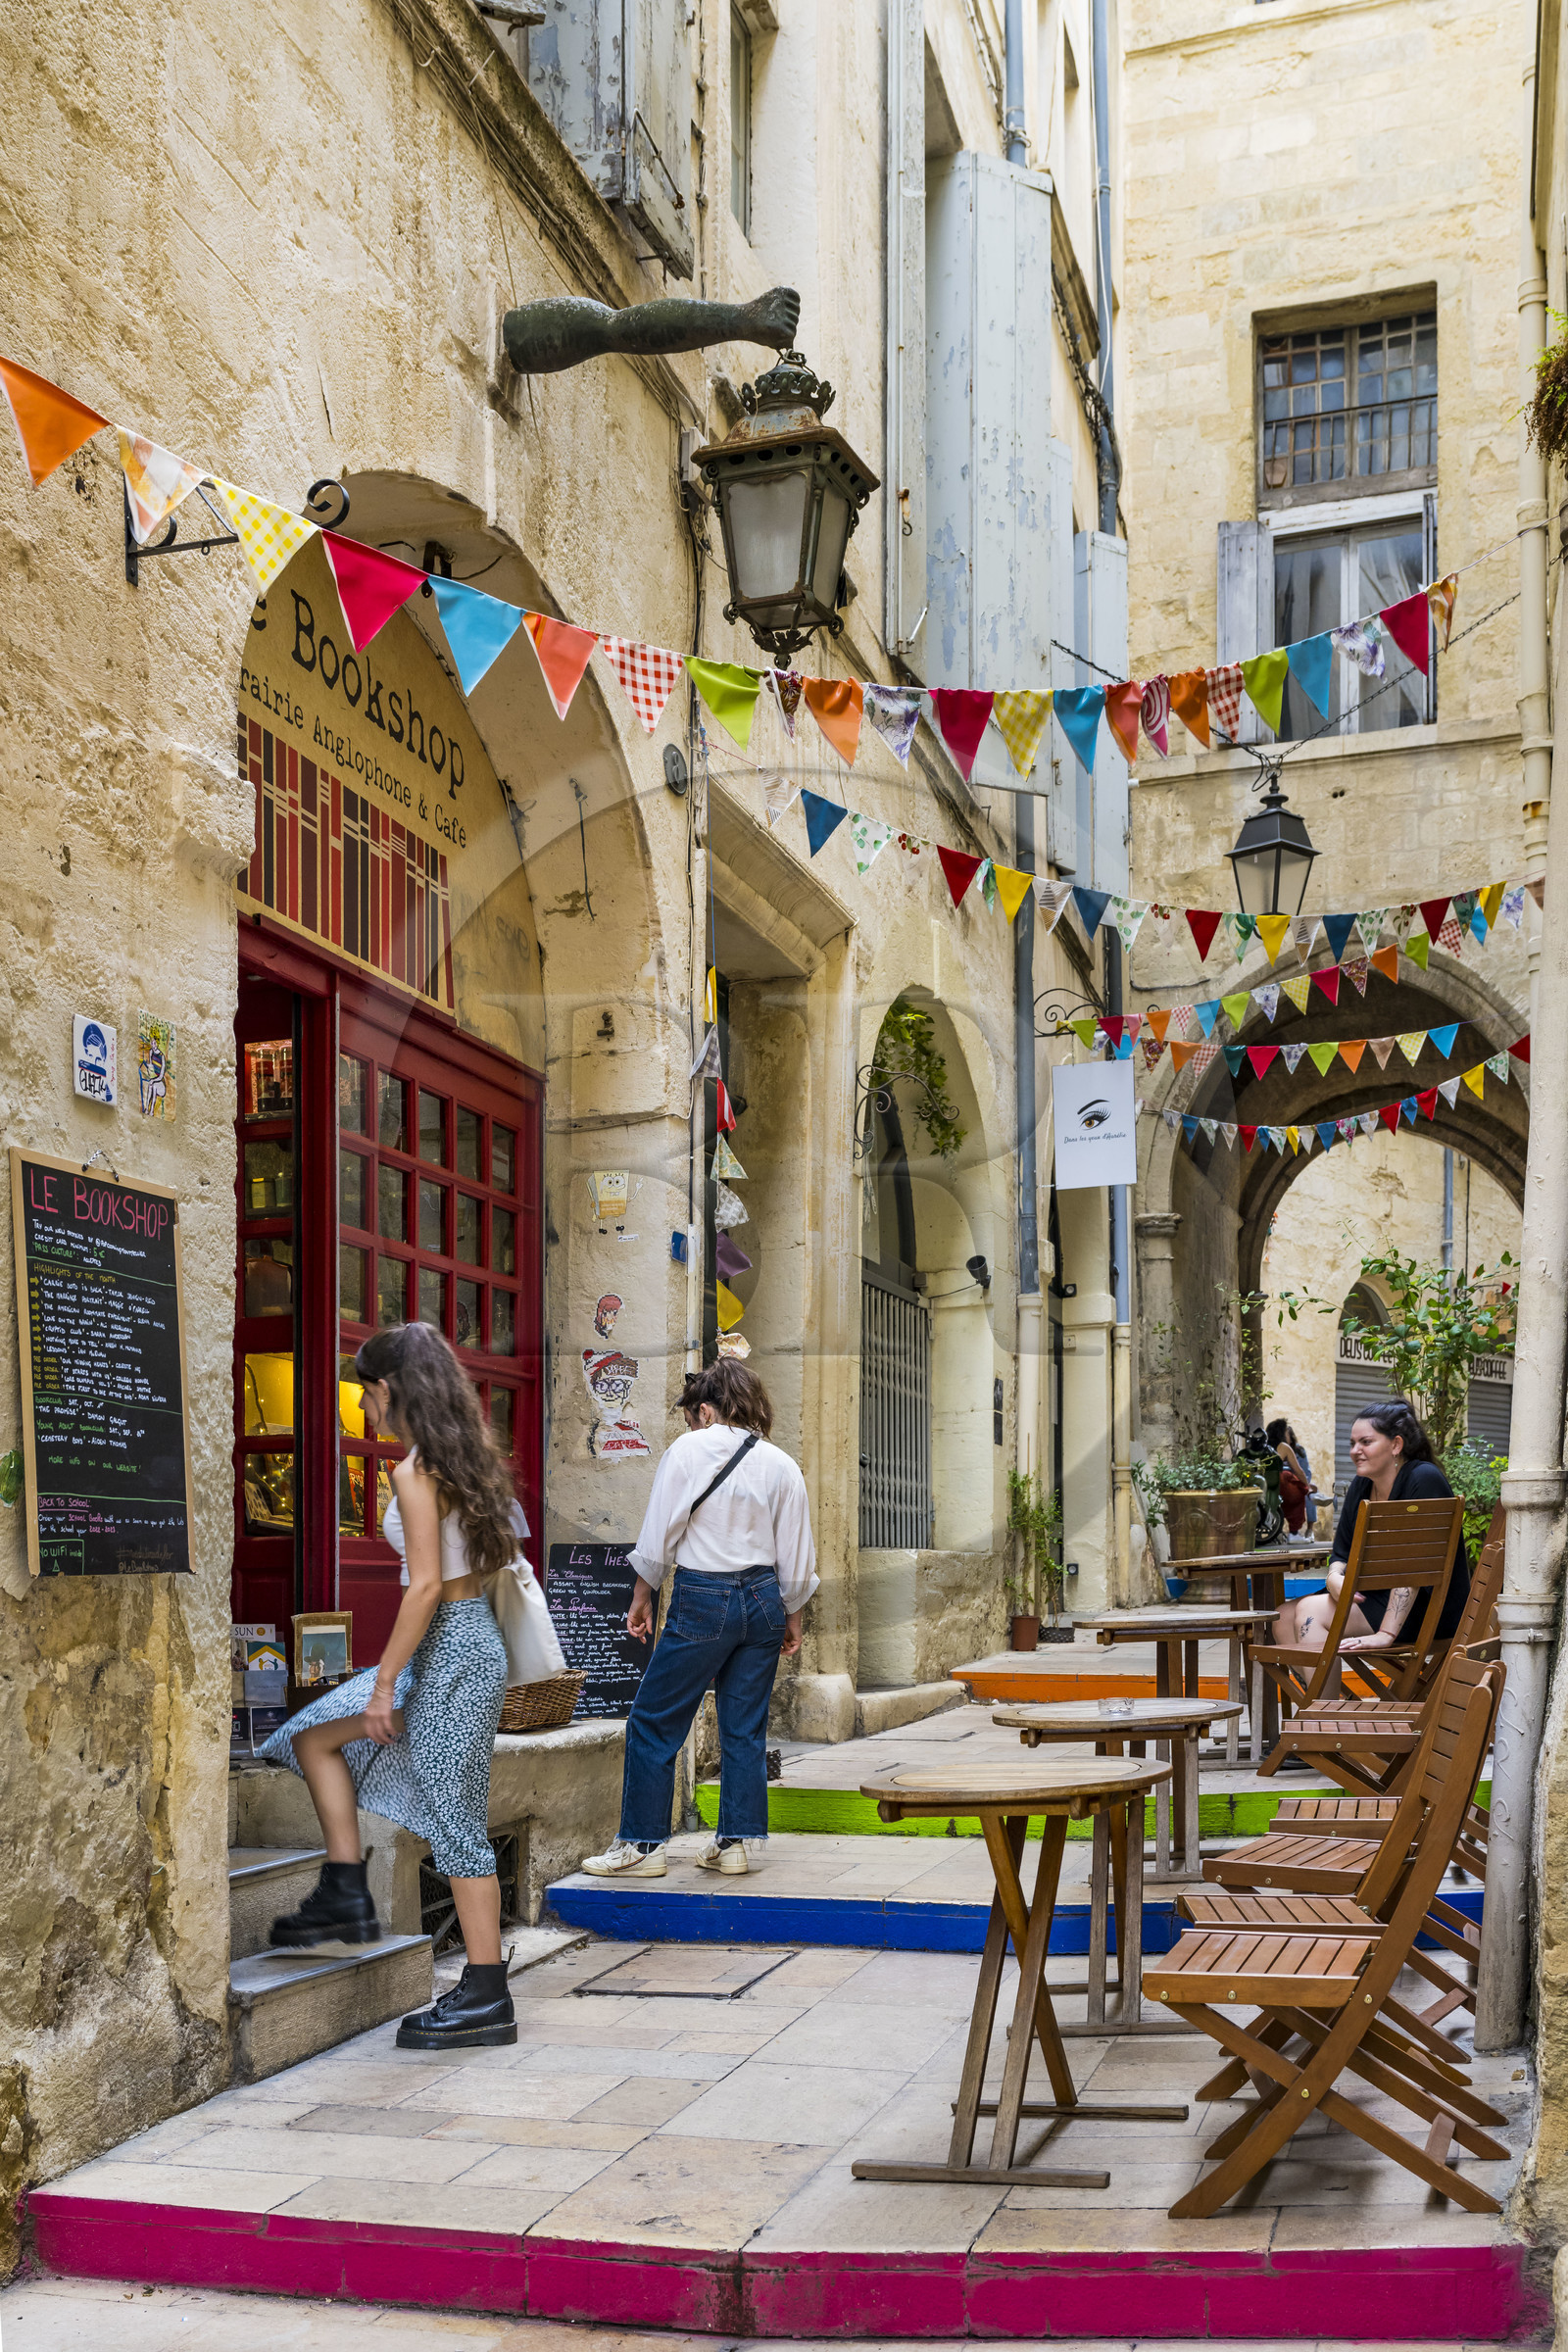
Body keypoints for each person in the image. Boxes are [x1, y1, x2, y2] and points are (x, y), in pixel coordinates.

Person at [261, 1322, 519, 2051]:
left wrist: (383, 1685)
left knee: (456, 1820)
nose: (368, 1409)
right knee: (311, 1736)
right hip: (464, 1644)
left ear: (389, 1389)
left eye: (368, 1393)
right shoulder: (468, 1460)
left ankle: (485, 1991)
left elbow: (428, 1585)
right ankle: (345, 1893)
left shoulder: (415, 1471)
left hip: (451, 1647)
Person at [579, 1359, 816, 1880]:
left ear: (706, 1409)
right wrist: (793, 1614)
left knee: (654, 1720)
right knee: (745, 1725)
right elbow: (797, 1554)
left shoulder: (689, 1449)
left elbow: (660, 1531)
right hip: (763, 1600)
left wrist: (642, 1593)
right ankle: (733, 1844)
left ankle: (642, 1846)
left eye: (692, 1417)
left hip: (704, 1596)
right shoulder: (782, 1464)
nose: (690, 1426)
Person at [1270, 1397, 1471, 1691]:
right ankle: (1335, 1710)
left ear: (1396, 1445)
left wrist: (1387, 1633)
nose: (1354, 1451)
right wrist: (1335, 1577)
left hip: (1427, 1608)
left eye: (1366, 1442)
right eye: (1352, 1443)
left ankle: (1327, 1722)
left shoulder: (1423, 1479)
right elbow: (1341, 1552)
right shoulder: (1362, 1487)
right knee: (1282, 1617)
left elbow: (1416, 1566)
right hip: (1373, 1596)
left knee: (1310, 1612)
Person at [1264, 1417, 1311, 1536]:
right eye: (1286, 1431)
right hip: (1278, 1482)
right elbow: (1299, 1471)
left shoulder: (1264, 1447)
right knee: (1300, 1491)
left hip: (1265, 1483)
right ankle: (1294, 1533)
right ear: (1282, 1432)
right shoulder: (1283, 1447)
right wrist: (1307, 1486)